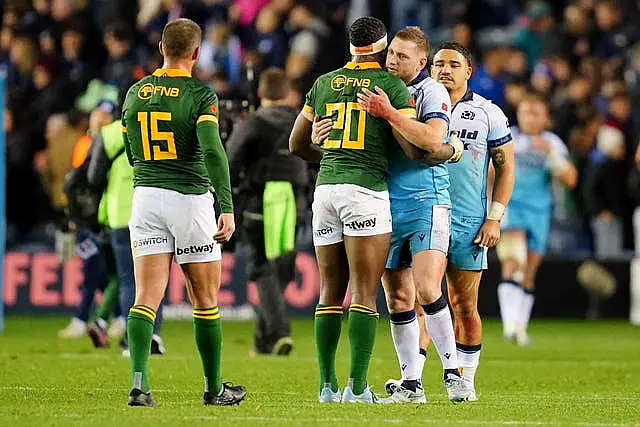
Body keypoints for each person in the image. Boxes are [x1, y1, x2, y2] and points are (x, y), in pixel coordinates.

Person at [289, 16, 416, 404]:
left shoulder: (324, 83)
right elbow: (413, 149)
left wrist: (327, 149)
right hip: (365, 190)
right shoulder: (391, 86)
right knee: (364, 292)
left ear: (351, 46)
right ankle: (357, 388)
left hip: (326, 190)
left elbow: (297, 144)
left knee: (329, 292)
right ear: (382, 48)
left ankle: (327, 387)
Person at [120, 18, 246, 407]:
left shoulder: (135, 92)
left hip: (145, 197)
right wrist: (225, 204)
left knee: (145, 298)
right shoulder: (200, 94)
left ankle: (140, 386)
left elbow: (130, 152)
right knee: (204, 299)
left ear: (161, 48)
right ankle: (213, 388)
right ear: (195, 52)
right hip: (189, 199)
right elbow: (212, 150)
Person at [354, 28, 471, 404]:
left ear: (421, 63)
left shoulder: (431, 92)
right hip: (383, 201)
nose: (392, 61)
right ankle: (411, 385)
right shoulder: (377, 84)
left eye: (402, 57)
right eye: (391, 54)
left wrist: (388, 113)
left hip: (426, 200)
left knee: (427, 287)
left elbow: (433, 140)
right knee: (398, 298)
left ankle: (454, 375)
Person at [226, 68, 308, 356]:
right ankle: (263, 339)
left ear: (260, 93)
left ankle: (278, 332)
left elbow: (230, 161)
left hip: (258, 203)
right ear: (287, 93)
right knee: (282, 267)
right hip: (295, 204)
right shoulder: (302, 122)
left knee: (262, 267)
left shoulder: (252, 123)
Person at [497, 94, 577, 346]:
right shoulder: (508, 137)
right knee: (513, 261)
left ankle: (520, 328)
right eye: (525, 112)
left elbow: (571, 180)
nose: (530, 117)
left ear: (545, 118)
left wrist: (550, 155)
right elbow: (490, 172)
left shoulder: (552, 143)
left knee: (529, 273)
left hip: (540, 211)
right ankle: (509, 325)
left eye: (535, 113)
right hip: (512, 208)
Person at [86, 117, 165, 353]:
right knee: (154, 279)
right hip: (154, 211)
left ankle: (133, 341)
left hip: (120, 214)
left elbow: (94, 176)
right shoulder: (159, 124)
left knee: (128, 280)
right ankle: (154, 336)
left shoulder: (109, 133)